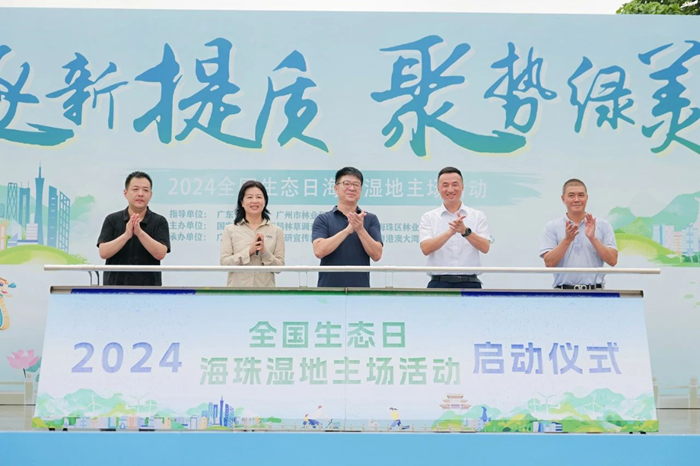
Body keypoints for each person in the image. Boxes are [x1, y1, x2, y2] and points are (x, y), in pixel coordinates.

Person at [419, 167, 491, 289]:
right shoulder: (429, 217)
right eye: (445, 185)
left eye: (455, 184)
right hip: (439, 283)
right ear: (438, 188)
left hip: (470, 283)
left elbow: (485, 247)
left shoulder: (477, 215)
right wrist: (450, 232)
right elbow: (426, 249)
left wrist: (465, 231)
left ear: (462, 187)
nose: (450, 189)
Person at [540, 178, 618, 289]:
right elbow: (549, 263)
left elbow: (613, 260)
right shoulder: (552, 227)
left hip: (596, 292)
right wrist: (567, 240)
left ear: (587, 198)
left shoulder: (603, 225)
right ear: (563, 199)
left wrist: (593, 238)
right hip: (562, 293)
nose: (576, 199)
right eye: (571, 195)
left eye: (581, 195)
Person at [312, 167, 383, 287]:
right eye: (346, 183)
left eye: (356, 185)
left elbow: (377, 255)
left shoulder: (370, 219)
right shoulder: (323, 219)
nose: (352, 188)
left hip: (360, 290)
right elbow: (319, 251)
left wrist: (360, 229)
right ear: (336, 188)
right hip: (328, 290)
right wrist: (347, 231)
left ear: (361, 190)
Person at [97, 171, 170, 286]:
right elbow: (103, 252)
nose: (140, 194)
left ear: (151, 195)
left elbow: (160, 253)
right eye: (135, 189)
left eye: (145, 190)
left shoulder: (159, 221)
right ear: (125, 193)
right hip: (114, 289)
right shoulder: (112, 219)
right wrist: (126, 235)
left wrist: (140, 233)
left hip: (149, 290)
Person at [220, 180, 285, 287]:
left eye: (259, 197)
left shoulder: (276, 231)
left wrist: (264, 252)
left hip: (265, 292)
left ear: (265, 201)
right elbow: (224, 264)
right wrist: (248, 251)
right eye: (249, 197)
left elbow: (279, 268)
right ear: (242, 202)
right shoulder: (230, 230)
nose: (254, 201)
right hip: (237, 292)